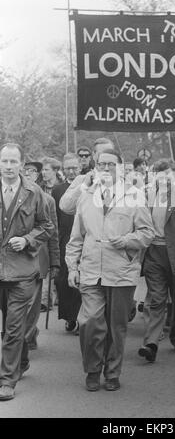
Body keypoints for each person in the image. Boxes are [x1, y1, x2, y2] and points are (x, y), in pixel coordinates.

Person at [65, 149, 154, 392]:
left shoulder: (134, 195)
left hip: (121, 270)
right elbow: (76, 236)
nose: (106, 169)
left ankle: (112, 372)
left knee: (116, 326)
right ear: (95, 167)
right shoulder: (86, 195)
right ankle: (93, 370)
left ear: (121, 167)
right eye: (101, 164)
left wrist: (126, 241)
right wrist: (72, 267)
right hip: (91, 268)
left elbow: (147, 233)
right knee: (90, 322)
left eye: (111, 164)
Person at [0, 143, 54, 401]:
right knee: (10, 326)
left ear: (22, 164)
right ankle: (20, 360)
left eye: (13, 162)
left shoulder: (34, 193)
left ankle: (7, 380)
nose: (9, 167)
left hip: (23, 272)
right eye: (4, 161)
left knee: (12, 327)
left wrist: (28, 240)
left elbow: (47, 226)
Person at [138, 159, 175, 361]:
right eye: (159, 175)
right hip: (154, 254)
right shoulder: (146, 195)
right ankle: (151, 343)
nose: (164, 179)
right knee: (156, 299)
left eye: (168, 175)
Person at [22, 161, 60, 352]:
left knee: (32, 304)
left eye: (33, 171)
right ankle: (27, 335)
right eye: (25, 170)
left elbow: (53, 233)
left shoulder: (48, 200)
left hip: (38, 259)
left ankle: (25, 340)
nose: (28, 174)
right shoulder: (11, 196)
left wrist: (55, 261)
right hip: (15, 260)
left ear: (38, 175)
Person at [52, 153, 82, 333]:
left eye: (74, 168)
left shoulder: (88, 186)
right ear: (63, 170)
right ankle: (69, 316)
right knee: (63, 281)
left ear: (80, 168)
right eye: (68, 168)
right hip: (64, 239)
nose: (71, 171)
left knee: (82, 279)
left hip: (84, 240)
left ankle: (80, 316)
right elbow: (53, 218)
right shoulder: (57, 190)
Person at [59, 137, 114, 215]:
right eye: (102, 153)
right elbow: (65, 206)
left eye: (110, 153)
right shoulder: (82, 180)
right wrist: (84, 186)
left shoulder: (122, 181)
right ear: (94, 155)